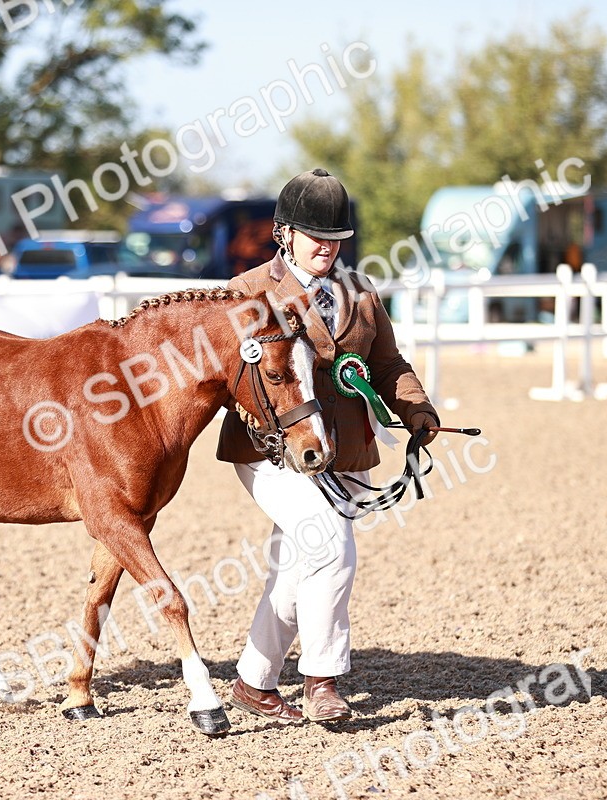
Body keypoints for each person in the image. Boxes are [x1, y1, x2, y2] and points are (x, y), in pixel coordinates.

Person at [217, 168, 440, 724]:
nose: (327, 246)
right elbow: (230, 379)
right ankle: (323, 679)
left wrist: (417, 408)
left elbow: (387, 364)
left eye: (336, 237)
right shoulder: (248, 292)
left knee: (296, 567)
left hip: (348, 450)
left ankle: (253, 681)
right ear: (283, 233)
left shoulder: (359, 293)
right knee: (332, 548)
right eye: (315, 235)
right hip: (274, 449)